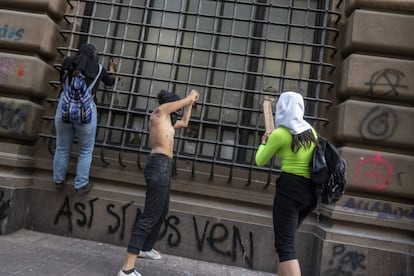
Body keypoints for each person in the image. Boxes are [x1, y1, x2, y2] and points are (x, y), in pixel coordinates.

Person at [118, 89, 199, 276]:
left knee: (162, 211)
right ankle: (127, 269)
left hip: (164, 167)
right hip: (158, 166)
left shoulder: (167, 121)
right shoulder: (159, 113)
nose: (176, 111)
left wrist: (189, 106)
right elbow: (178, 104)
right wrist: (189, 97)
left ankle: (146, 248)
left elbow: (185, 123)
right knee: (149, 216)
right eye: (175, 107)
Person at [255, 91, 318, 276]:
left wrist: (263, 142)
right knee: (284, 244)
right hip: (310, 194)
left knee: (285, 247)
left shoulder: (280, 134)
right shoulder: (311, 132)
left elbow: (260, 160)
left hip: (290, 191)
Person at [53, 43, 117, 195]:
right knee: (86, 151)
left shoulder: (67, 62)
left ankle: (58, 180)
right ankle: (81, 184)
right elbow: (110, 82)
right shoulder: (99, 69)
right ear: (95, 56)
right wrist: (112, 68)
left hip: (64, 109)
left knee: (62, 147)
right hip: (86, 113)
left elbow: (62, 80)